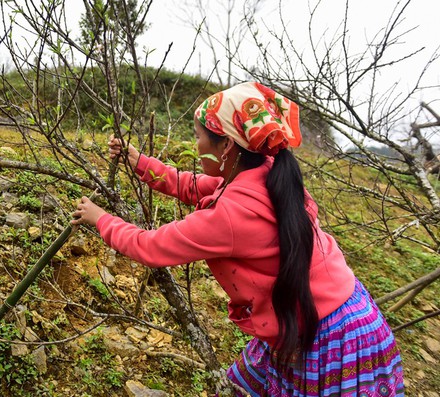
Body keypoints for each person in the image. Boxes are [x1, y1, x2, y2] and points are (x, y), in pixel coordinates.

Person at [71, 82, 404, 396]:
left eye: (199, 136)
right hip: (330, 308)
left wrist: (100, 218)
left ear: (227, 145)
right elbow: (189, 184)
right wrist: (139, 162)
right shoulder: (266, 171)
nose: (196, 144)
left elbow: (149, 246)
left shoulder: (231, 215)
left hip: (329, 335)